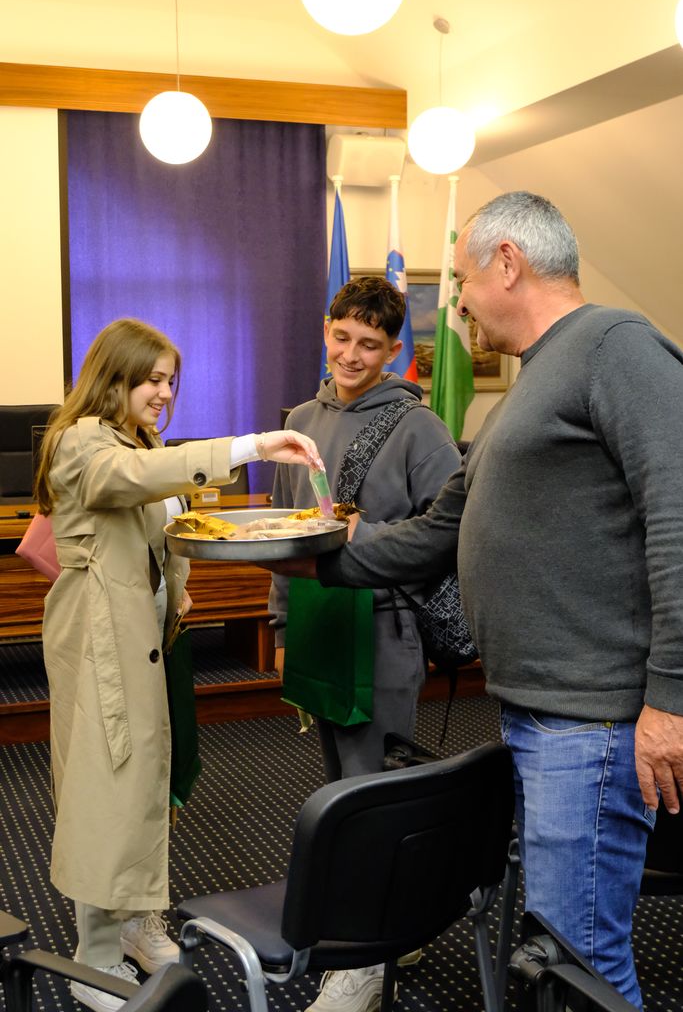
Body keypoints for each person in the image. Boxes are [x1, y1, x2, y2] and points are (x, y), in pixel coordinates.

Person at [271, 192, 683, 1009]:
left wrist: (670, 698)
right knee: (555, 955)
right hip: (538, 711)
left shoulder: (615, 347)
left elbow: (676, 517)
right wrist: (309, 559)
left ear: (508, 262)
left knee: (581, 962)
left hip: (591, 721)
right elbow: (438, 532)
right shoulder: (530, 383)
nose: (455, 302)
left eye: (460, 281)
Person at [34, 317, 323, 1012]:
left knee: (147, 783)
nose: (165, 394)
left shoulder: (139, 438)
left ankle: (136, 922)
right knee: (107, 791)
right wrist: (255, 444)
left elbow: (156, 525)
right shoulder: (81, 441)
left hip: (151, 634)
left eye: (170, 381)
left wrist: (176, 582)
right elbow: (132, 482)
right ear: (115, 377)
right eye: (152, 380)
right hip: (101, 641)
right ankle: (94, 960)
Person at [269, 276, 461, 1012]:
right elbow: (284, 536)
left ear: (392, 350)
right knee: (336, 790)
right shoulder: (298, 420)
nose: (351, 355)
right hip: (319, 626)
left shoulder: (418, 427)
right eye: (342, 337)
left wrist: (363, 534)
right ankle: (380, 926)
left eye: (370, 345)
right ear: (326, 330)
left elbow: (449, 534)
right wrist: (281, 626)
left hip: (382, 626)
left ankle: (368, 961)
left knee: (375, 791)